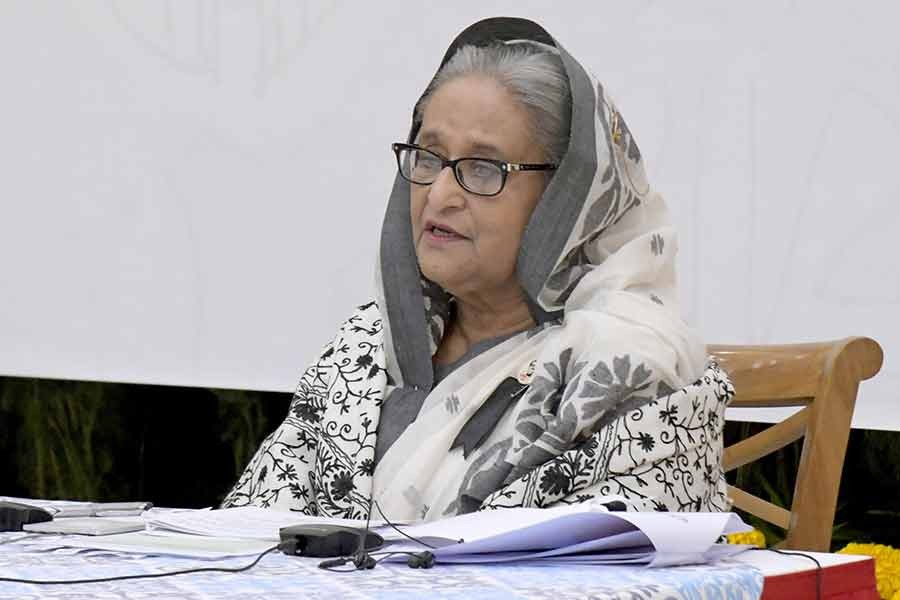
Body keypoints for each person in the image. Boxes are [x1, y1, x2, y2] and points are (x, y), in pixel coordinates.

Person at [221, 17, 732, 521]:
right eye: (428, 156)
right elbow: (244, 537)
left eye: (483, 169)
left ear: (567, 200)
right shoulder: (365, 349)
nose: (439, 195)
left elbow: (617, 570)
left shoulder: (626, 367)